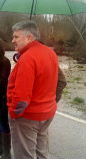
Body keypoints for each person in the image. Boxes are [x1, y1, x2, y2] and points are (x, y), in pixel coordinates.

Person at [7, 20, 58, 159]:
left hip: (28, 116)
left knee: (25, 155)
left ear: (29, 37)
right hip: (47, 113)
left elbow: (21, 98)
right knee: (41, 153)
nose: (13, 40)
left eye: (16, 37)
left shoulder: (28, 58)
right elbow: (58, 82)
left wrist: (13, 114)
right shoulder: (50, 53)